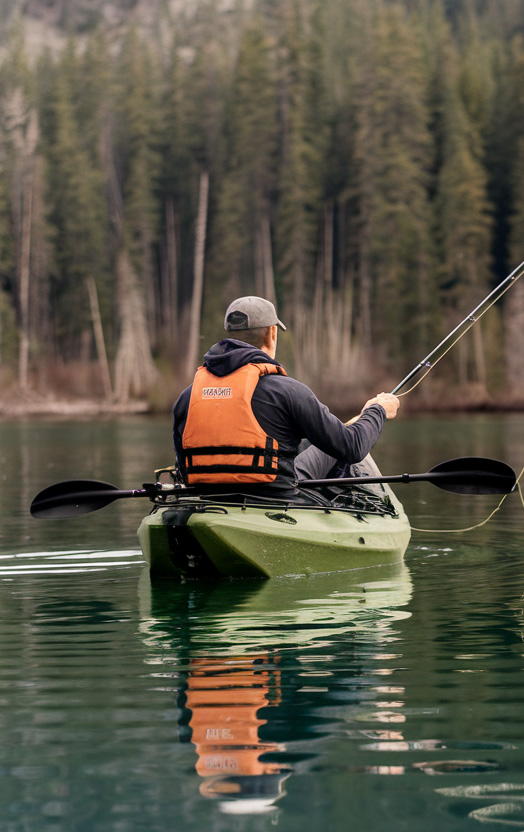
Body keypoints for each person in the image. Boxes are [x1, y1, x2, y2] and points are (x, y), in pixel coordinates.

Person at [173, 296, 399, 496]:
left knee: (312, 440)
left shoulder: (188, 396)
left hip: (206, 496)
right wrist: (377, 410)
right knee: (340, 447)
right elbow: (353, 447)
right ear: (272, 333)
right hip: (273, 497)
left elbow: (182, 465)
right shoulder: (288, 391)